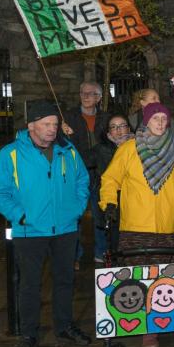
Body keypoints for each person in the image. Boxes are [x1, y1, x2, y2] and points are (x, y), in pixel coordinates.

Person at [0, 100, 92, 347]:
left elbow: (82, 180)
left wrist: (76, 209)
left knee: (65, 280)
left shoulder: (68, 150)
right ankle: (28, 334)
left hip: (65, 228)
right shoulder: (10, 154)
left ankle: (64, 326)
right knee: (30, 285)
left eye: (55, 124)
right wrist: (19, 215)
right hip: (30, 231)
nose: (52, 129)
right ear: (31, 126)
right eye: (46, 124)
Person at [99, 102, 174, 347]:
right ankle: (141, 326)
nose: (161, 123)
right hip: (135, 225)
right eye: (156, 119)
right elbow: (110, 178)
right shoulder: (129, 148)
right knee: (139, 277)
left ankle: (158, 326)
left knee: (163, 278)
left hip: (167, 225)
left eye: (164, 119)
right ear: (146, 121)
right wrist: (108, 203)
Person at [62, 81, 110, 266]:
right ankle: (75, 255)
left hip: (100, 173)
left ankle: (101, 253)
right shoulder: (68, 117)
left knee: (101, 214)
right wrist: (62, 132)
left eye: (91, 93)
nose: (86, 96)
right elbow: (59, 143)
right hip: (76, 173)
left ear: (98, 98)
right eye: (83, 92)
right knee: (75, 215)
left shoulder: (106, 118)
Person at [91, 114, 134, 259]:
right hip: (112, 200)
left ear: (128, 128)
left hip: (133, 198)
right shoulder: (101, 149)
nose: (119, 130)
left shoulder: (139, 146)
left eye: (122, 126)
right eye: (114, 127)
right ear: (108, 132)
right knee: (115, 238)